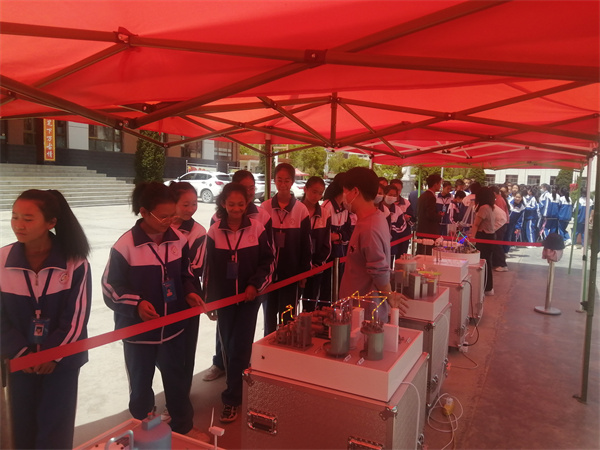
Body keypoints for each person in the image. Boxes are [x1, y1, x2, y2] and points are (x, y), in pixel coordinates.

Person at [102, 182, 207, 441]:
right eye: (162, 216)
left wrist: (190, 291)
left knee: (177, 381)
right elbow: (110, 287)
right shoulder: (125, 245)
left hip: (172, 330)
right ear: (144, 212)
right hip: (139, 334)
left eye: (172, 215)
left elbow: (186, 274)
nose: (169, 221)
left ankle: (183, 427)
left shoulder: (178, 239)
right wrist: (136, 304)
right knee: (140, 386)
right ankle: (145, 433)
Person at [1, 189, 91, 449]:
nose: (19, 225)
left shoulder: (75, 262)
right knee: (21, 428)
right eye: (15, 216)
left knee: (55, 430)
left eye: (28, 219)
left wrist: (52, 354)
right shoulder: (2, 260)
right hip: (18, 362)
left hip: (62, 363)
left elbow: (77, 316)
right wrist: (21, 353)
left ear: (51, 222)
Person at [204, 183, 275, 423]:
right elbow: (208, 270)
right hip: (225, 301)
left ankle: (232, 398)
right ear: (223, 204)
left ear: (247, 205)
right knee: (227, 346)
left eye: (241, 204)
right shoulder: (214, 231)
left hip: (248, 299)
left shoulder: (257, 228)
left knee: (241, 346)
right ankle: (236, 385)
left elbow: (268, 262)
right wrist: (210, 301)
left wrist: (255, 285)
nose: (236, 209)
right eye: (231, 204)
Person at [162, 181, 207, 423]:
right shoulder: (161, 225)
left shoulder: (198, 232)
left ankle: (180, 399)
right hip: (162, 299)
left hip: (188, 296)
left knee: (186, 351)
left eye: (194, 204)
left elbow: (195, 268)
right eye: (185, 204)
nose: (191, 209)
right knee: (165, 351)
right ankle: (173, 394)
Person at [339, 167, 408, 320]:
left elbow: (379, 269)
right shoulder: (375, 218)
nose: (344, 197)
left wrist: (389, 296)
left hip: (363, 314)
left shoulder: (369, 227)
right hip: (359, 308)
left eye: (345, 192)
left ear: (355, 192)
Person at [261, 163, 311, 334]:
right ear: (274, 180)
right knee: (269, 315)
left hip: (292, 274)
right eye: (279, 180)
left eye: (286, 180)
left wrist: (304, 273)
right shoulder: (265, 208)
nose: (283, 184)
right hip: (268, 275)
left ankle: (287, 344)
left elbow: (306, 244)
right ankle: (268, 345)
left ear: (292, 182)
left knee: (288, 317)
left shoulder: (301, 210)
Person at [320, 173, 352, 303]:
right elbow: (323, 235)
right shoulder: (326, 207)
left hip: (341, 256)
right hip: (328, 258)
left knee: (340, 289)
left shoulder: (345, 208)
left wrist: (338, 236)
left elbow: (349, 232)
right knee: (327, 290)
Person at [301, 176, 331, 309]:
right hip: (297, 268)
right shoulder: (296, 210)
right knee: (290, 306)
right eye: (314, 192)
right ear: (305, 189)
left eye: (320, 193)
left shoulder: (325, 214)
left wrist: (317, 264)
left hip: (316, 268)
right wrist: (303, 265)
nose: (316, 196)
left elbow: (326, 243)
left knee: (310, 305)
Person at [468, 187, 496, 295]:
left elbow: (476, 224)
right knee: (487, 262)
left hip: (483, 236)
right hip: (490, 236)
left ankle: (485, 287)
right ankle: (488, 287)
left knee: (482, 262)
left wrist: (472, 238)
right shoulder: (490, 207)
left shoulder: (483, 208)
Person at [416, 173, 443, 255]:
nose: (440, 186)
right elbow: (430, 214)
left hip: (421, 228)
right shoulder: (431, 197)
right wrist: (439, 216)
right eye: (439, 184)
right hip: (428, 230)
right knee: (427, 253)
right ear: (435, 184)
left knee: (421, 252)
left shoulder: (423, 195)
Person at [384, 184, 411, 260]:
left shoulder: (397, 210)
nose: (392, 197)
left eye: (394, 195)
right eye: (390, 195)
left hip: (392, 244)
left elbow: (402, 227)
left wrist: (391, 227)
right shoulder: (378, 208)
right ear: (384, 194)